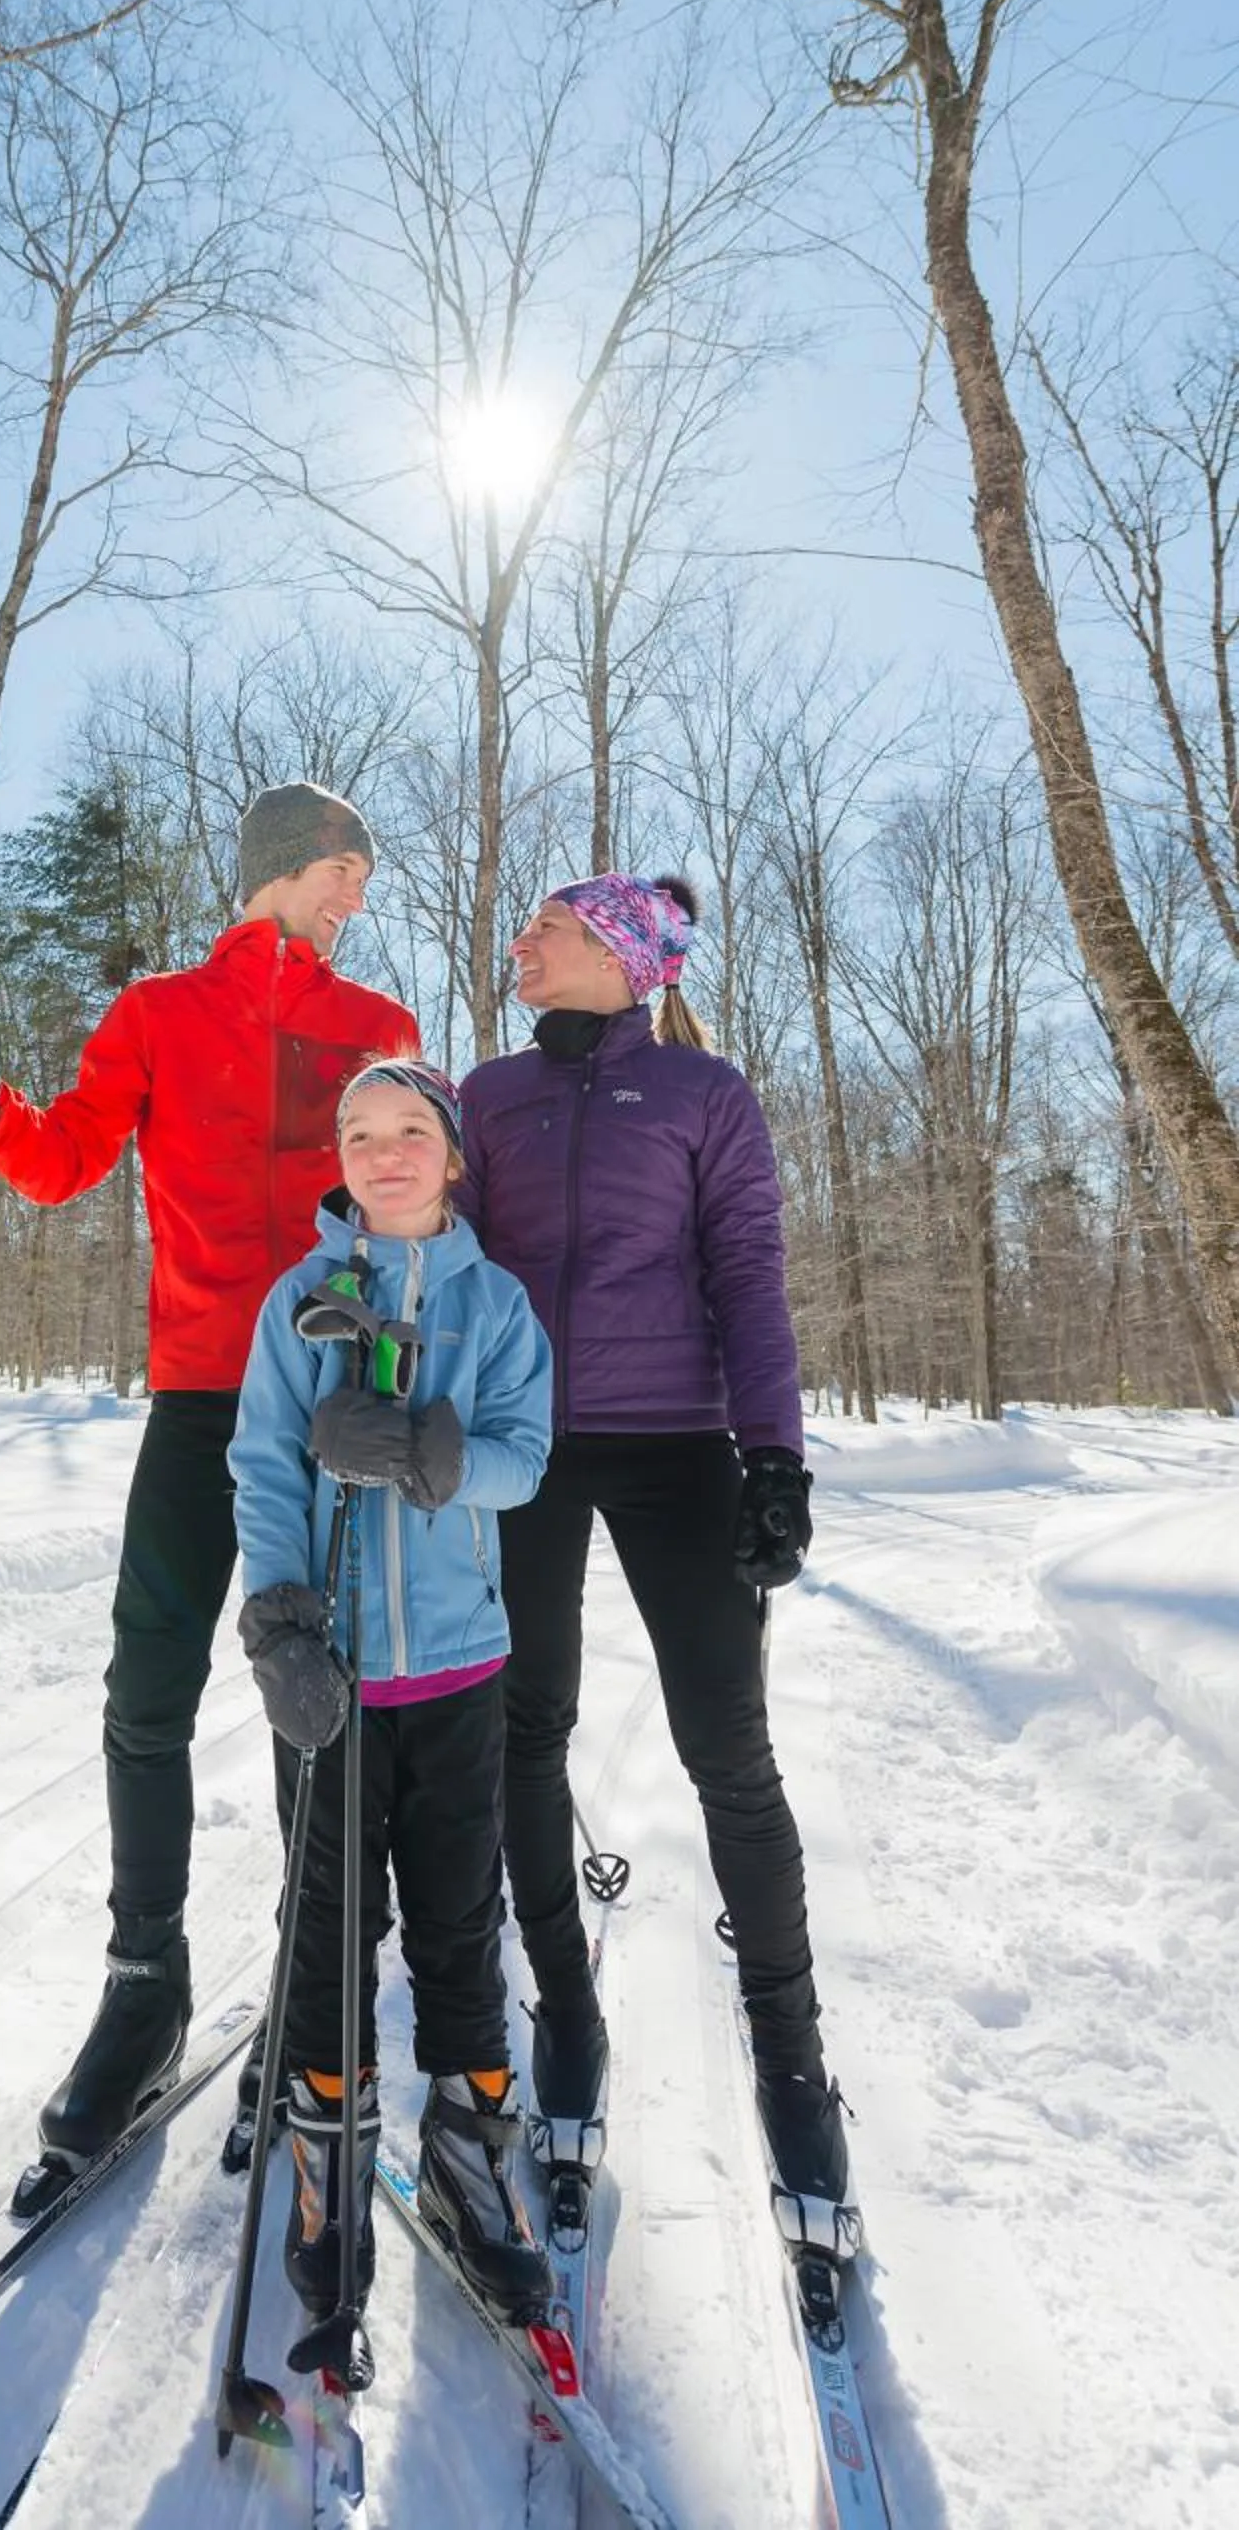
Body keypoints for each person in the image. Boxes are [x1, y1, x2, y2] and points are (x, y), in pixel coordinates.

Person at [0, 784, 418, 2183]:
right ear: (280, 870)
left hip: (334, 1403)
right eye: (341, 870)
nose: (354, 896)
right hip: (199, 1400)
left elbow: (420, 1205)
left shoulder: (379, 1029)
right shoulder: (156, 1019)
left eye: (360, 877)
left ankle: (324, 1977)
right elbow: (60, 1164)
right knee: (144, 1693)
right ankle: (144, 1981)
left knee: (326, 1692)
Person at [458, 871, 850, 2213]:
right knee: (522, 1730)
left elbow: (746, 1271)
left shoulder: (704, 1095)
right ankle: (564, 2010)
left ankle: (791, 2061)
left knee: (727, 1753)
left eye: (548, 928)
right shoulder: (486, 1095)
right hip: (520, 1449)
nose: (521, 942)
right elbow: (440, 1253)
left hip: (676, 1443)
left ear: (622, 956)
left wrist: (774, 1457)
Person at [229, 1059, 555, 2327]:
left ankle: (475, 2144)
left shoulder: (499, 1304)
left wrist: (432, 1456)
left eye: (408, 1130)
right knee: (327, 1914)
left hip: (462, 1665)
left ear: (452, 1154)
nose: (382, 1152)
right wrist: (278, 1624)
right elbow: (260, 1467)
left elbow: (524, 1465)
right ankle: (330, 2139)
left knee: (459, 1917)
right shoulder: (301, 1299)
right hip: (331, 1676)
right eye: (357, 1134)